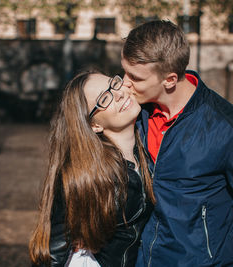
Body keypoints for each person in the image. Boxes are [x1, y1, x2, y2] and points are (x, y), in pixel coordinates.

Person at [121, 20, 233, 266]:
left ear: (169, 79)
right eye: (124, 71)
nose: (125, 83)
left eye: (135, 77)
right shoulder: (134, 114)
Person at [29, 70, 155, 267]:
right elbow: (53, 254)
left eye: (114, 84)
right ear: (94, 125)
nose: (119, 94)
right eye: (104, 98)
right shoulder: (87, 177)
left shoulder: (151, 143)